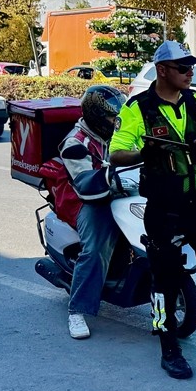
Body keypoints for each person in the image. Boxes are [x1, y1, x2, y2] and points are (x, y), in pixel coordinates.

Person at [109, 41, 196, 379]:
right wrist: (146, 153)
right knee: (164, 282)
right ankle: (168, 345)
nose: (190, 73)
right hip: (163, 207)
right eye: (183, 67)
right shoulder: (137, 108)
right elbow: (116, 154)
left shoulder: (195, 100)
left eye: (192, 67)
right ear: (162, 70)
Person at [60, 84, 127, 340]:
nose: (116, 122)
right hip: (88, 200)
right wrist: (110, 175)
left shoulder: (118, 134)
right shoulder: (75, 143)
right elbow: (86, 182)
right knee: (96, 247)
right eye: (112, 118)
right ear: (97, 118)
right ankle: (77, 311)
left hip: (122, 193)